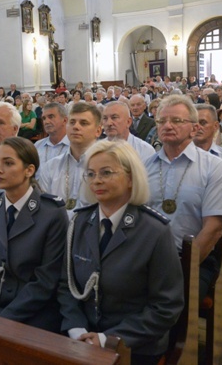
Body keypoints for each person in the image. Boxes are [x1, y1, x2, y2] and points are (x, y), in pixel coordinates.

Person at [57, 140, 183, 363]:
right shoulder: (79, 222)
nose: (97, 180)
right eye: (91, 174)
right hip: (80, 338)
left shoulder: (154, 231)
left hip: (134, 345)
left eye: (106, 173)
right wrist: (76, 330)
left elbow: (165, 307)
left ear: (130, 178)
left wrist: (108, 339)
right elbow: (67, 286)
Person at [0, 137, 67, 332]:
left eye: (8, 163)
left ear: (29, 170)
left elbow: (45, 281)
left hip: (33, 313)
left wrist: (2, 321)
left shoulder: (51, 213)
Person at [143, 96, 222, 302]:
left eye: (176, 121)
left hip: (193, 258)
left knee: (168, 304)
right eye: (161, 121)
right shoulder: (144, 166)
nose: (167, 126)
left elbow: (213, 229)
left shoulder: (214, 167)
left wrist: (182, 267)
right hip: (146, 257)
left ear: (193, 129)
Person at [39, 102, 102, 217]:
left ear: (98, 131)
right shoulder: (51, 166)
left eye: (84, 123)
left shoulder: (106, 166)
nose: (76, 127)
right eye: (72, 122)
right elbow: (44, 209)